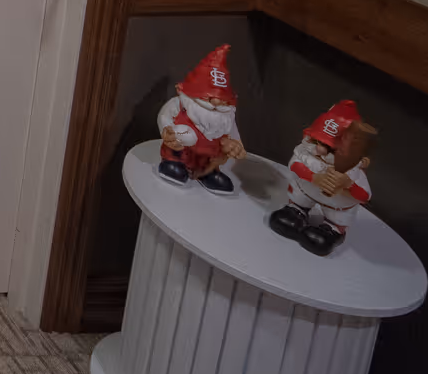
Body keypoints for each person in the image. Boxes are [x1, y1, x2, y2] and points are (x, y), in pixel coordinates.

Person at [268, 99, 375, 256]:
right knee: (286, 217)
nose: (320, 150)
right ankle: (297, 211)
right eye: (317, 141)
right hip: (305, 191)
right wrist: (315, 178)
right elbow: (295, 166)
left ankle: (333, 229)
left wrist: (347, 185)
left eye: (330, 148)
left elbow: (364, 196)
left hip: (335, 206)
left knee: (319, 239)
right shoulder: (305, 152)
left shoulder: (352, 170)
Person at [154, 44, 246, 195]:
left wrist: (234, 147)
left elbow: (236, 141)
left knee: (211, 163)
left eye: (221, 99)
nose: (215, 103)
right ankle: (173, 163)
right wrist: (167, 130)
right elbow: (165, 116)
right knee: (179, 149)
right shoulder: (182, 104)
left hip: (207, 161)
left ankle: (207, 174)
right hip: (181, 152)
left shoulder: (226, 118)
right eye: (208, 97)